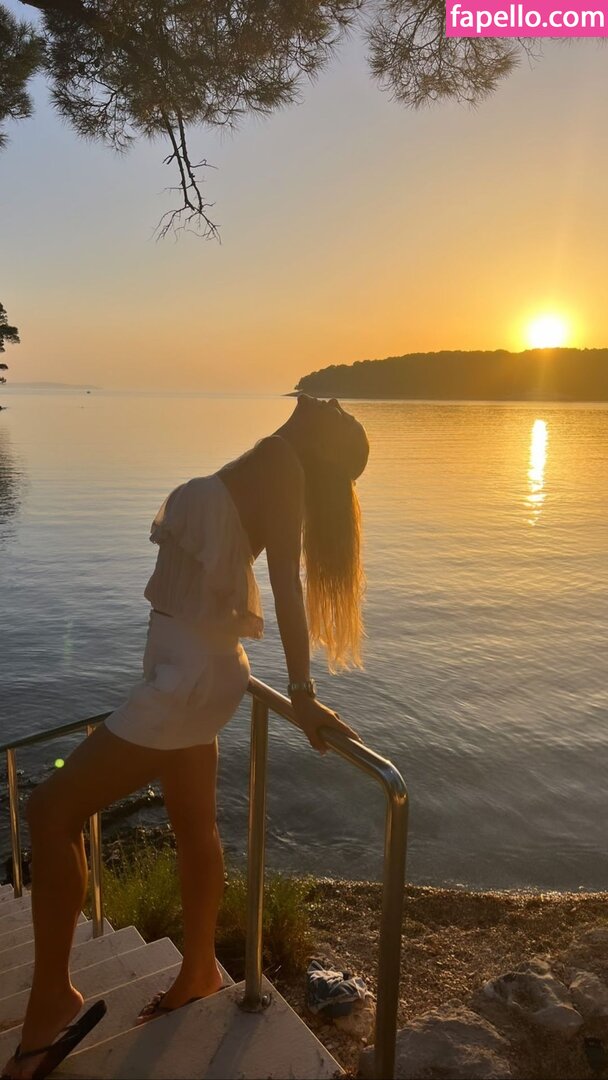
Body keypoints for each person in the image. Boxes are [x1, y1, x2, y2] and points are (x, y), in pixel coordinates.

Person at [2, 392, 370, 1080]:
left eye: (343, 415)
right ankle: (199, 968)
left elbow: (286, 586)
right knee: (195, 824)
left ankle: (52, 998)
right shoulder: (273, 459)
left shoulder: (280, 463)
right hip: (195, 669)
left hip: (189, 679)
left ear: (326, 444)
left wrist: (302, 694)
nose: (333, 401)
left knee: (50, 812)